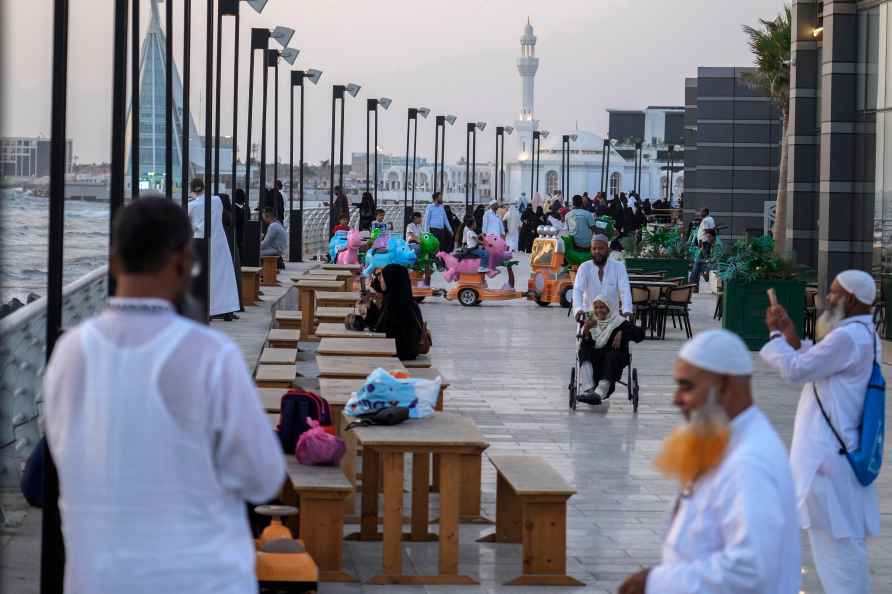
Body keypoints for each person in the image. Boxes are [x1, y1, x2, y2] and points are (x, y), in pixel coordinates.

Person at [43, 197, 285, 594]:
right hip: (202, 578)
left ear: (114, 260)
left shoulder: (70, 354)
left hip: (97, 579)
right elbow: (263, 478)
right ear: (181, 261)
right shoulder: (209, 355)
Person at [619, 329, 801, 594]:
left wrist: (656, 583)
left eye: (687, 386)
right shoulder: (724, 440)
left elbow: (751, 569)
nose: (676, 399)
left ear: (725, 386)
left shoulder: (750, 462)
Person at [760, 270, 881, 594]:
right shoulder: (862, 335)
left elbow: (798, 370)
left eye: (833, 292)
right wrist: (790, 336)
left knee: (837, 552)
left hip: (827, 463)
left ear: (851, 300)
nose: (827, 297)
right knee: (840, 549)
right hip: (837, 459)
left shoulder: (847, 337)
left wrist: (774, 336)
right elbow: (817, 362)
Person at [187, 178, 240, 320]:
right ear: (204, 187)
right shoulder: (216, 201)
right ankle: (228, 309)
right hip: (220, 241)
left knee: (206, 277)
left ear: (192, 190)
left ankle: (208, 309)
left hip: (200, 243)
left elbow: (187, 225)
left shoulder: (190, 206)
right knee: (224, 277)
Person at [576, 295, 644, 403]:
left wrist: (622, 333)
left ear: (609, 308)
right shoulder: (591, 321)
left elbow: (640, 334)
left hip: (613, 359)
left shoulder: (619, 322)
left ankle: (599, 393)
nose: (599, 310)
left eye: (602, 307)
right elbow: (586, 343)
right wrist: (587, 329)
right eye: (596, 308)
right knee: (584, 351)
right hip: (596, 358)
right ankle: (588, 390)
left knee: (611, 356)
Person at [360, 264, 425, 361]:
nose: (380, 280)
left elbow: (379, 330)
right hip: (408, 352)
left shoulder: (393, 304)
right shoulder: (407, 301)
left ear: (391, 280)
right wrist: (369, 303)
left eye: (382, 277)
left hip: (398, 354)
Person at [573, 234, 632, 319]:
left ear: (608, 250)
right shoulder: (584, 267)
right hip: (590, 317)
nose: (597, 251)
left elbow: (625, 291)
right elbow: (577, 291)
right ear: (591, 250)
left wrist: (627, 310)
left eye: (601, 248)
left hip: (612, 318)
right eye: (594, 249)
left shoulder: (619, 267)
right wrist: (578, 309)